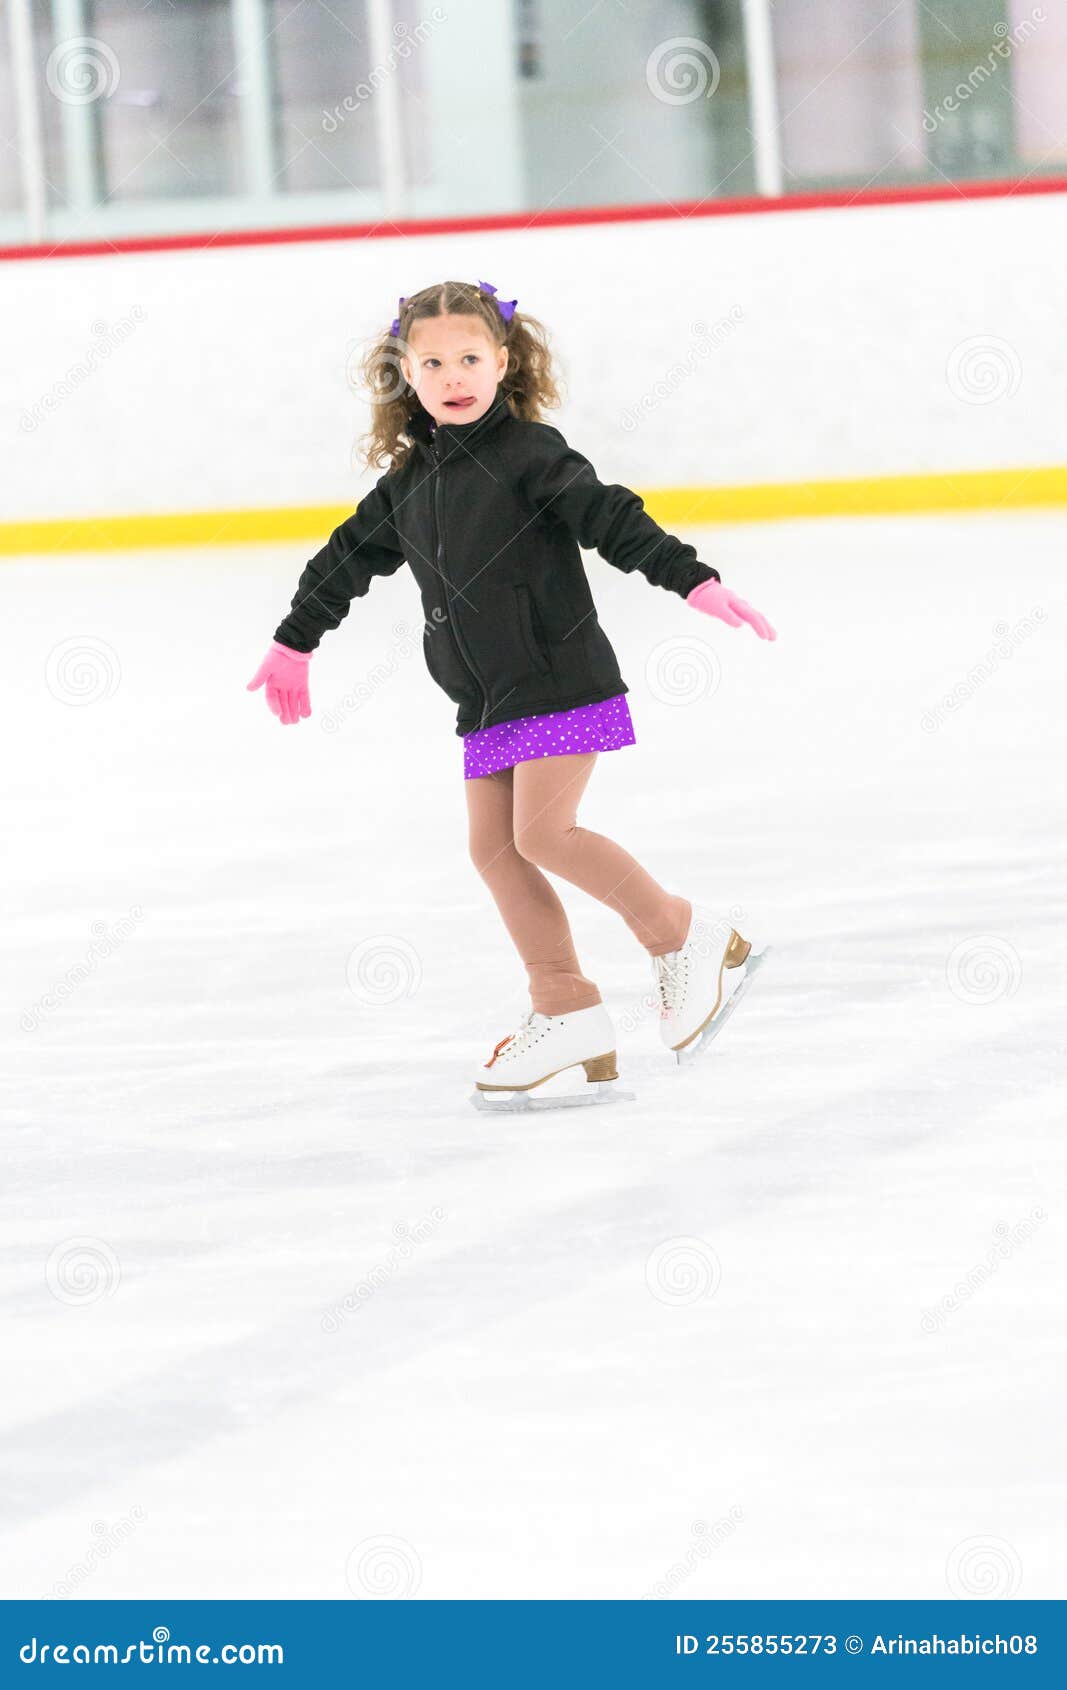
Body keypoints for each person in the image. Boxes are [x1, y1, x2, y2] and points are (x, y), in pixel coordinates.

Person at [247, 278, 776, 1104]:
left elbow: (608, 516)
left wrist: (690, 579)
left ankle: (686, 938)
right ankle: (564, 1007)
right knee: (493, 850)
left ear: (501, 361)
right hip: (486, 697)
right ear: (405, 374)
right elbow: (344, 558)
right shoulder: (409, 483)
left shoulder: (531, 455)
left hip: (559, 678)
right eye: (433, 362)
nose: (453, 375)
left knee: (544, 835)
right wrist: (293, 640)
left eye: (469, 358)